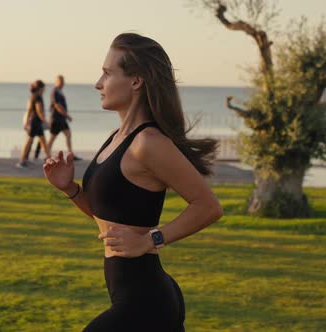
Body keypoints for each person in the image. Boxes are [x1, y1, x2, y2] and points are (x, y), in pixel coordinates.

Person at [43, 33, 223, 331]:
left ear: (136, 81)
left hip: (146, 303)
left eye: (108, 73)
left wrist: (152, 239)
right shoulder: (118, 139)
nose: (98, 83)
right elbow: (112, 220)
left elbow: (208, 206)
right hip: (131, 295)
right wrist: (71, 189)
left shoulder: (148, 143)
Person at [34, 75, 82, 161]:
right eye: (61, 81)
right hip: (56, 119)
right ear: (56, 82)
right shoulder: (55, 92)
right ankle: (47, 155)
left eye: (63, 81)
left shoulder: (60, 92)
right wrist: (67, 116)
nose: (63, 83)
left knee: (68, 134)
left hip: (62, 119)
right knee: (52, 138)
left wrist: (65, 116)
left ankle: (71, 154)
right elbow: (57, 106)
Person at [17, 80, 50, 168]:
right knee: (29, 141)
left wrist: (27, 121)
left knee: (43, 141)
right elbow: (39, 111)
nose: (45, 90)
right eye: (44, 88)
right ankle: (22, 160)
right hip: (35, 123)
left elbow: (29, 110)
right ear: (41, 88)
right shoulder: (37, 97)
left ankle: (49, 159)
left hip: (37, 123)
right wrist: (46, 121)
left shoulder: (34, 96)